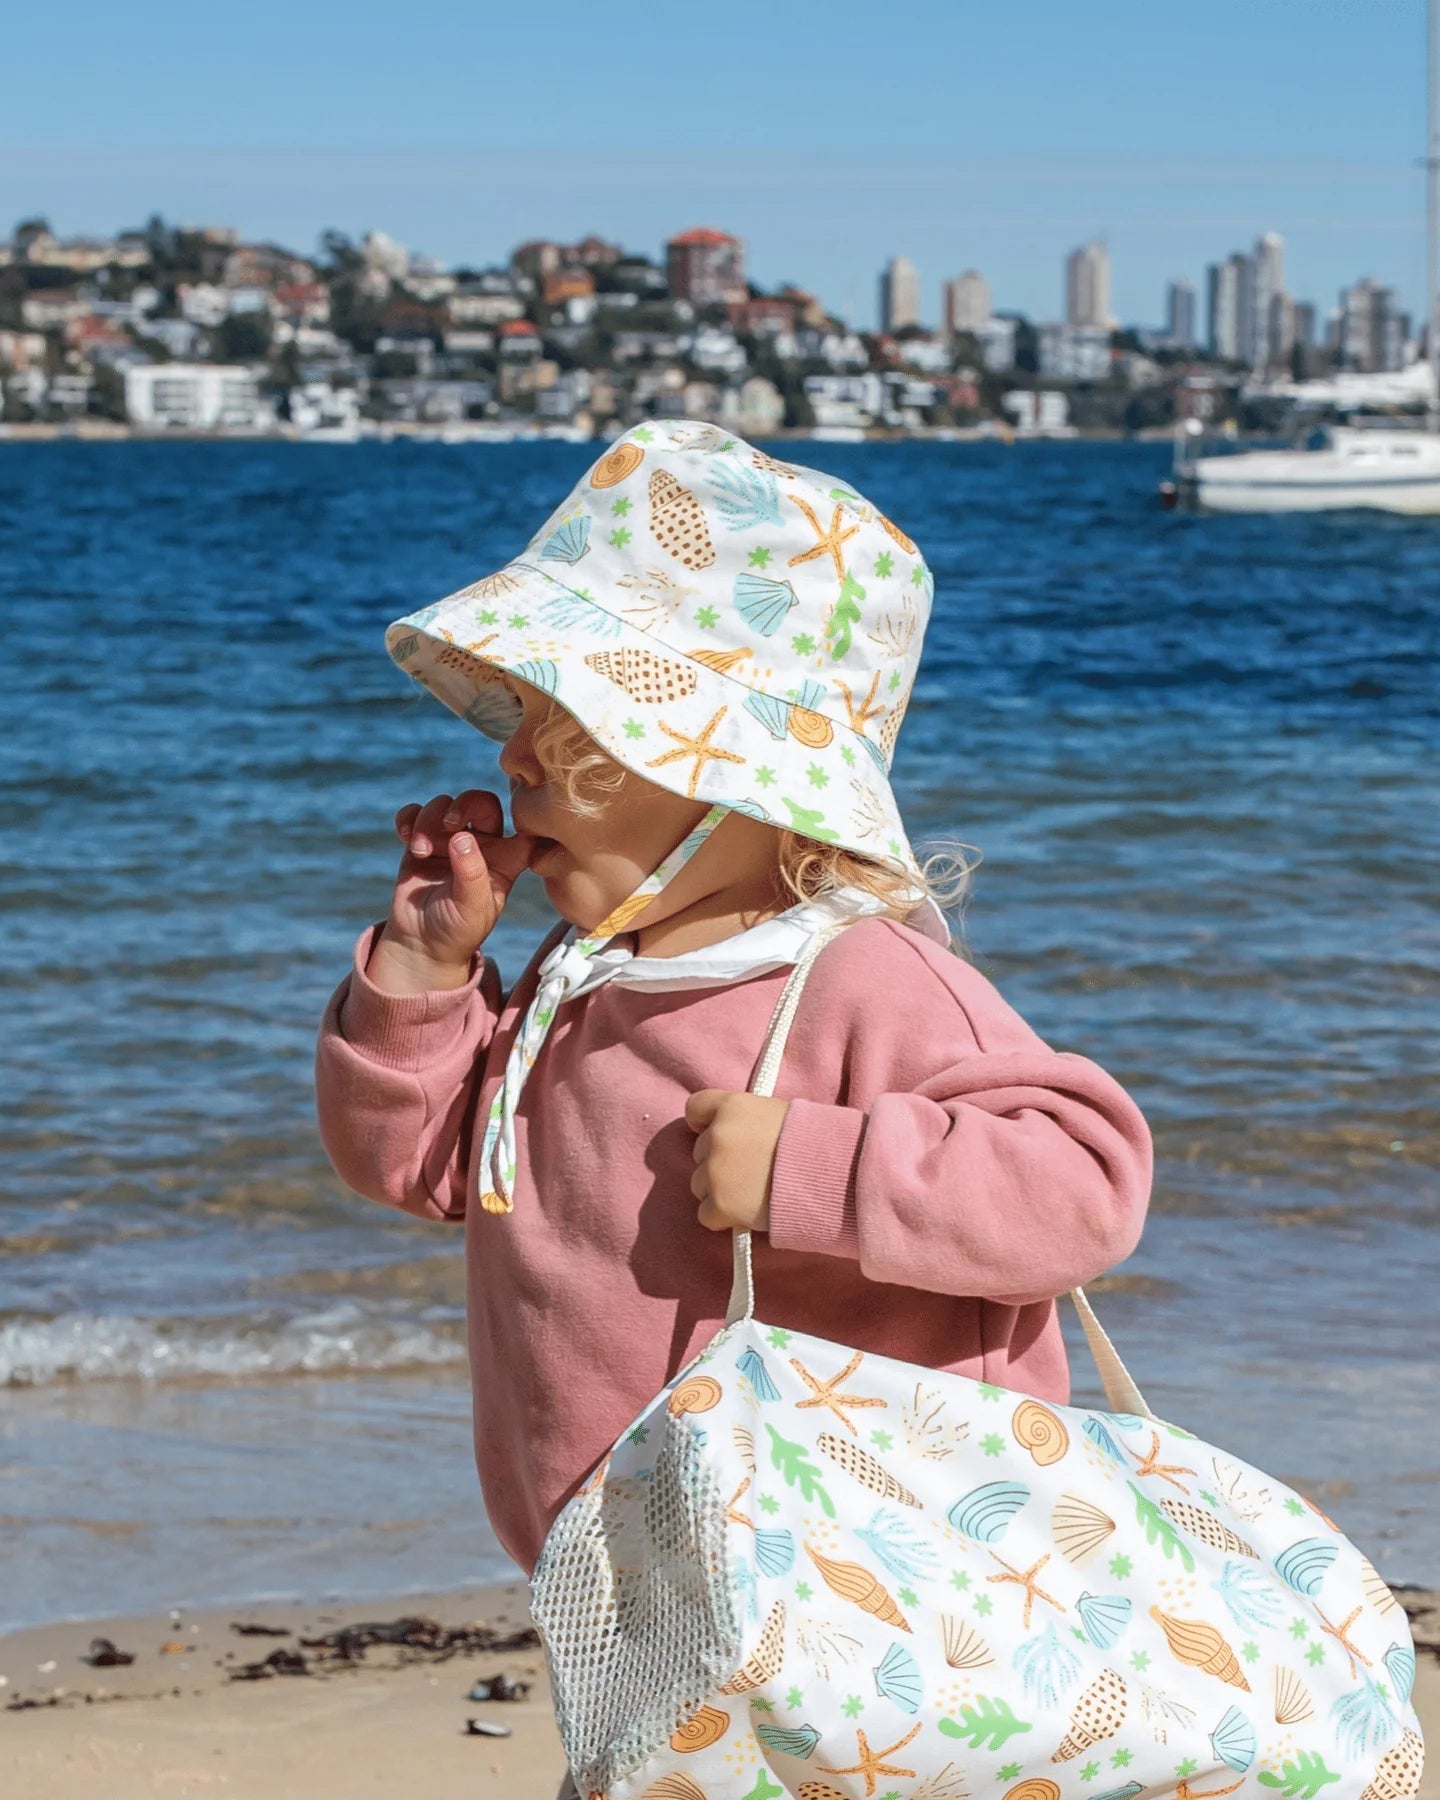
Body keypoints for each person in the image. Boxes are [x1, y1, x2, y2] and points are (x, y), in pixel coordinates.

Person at [314, 421, 1152, 1788]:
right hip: (636, 1582)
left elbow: (1082, 1188)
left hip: (878, 1577)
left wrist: (818, 1169)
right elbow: (414, 1163)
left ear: (745, 783)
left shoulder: (862, 979)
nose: (519, 759)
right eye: (521, 714)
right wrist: (422, 972)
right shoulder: (576, 980)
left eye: (574, 726)